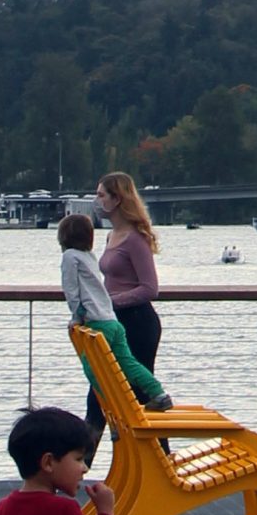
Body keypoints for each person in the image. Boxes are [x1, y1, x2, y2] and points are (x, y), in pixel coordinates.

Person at [57, 213, 172, 410]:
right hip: (112, 321)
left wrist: (77, 317)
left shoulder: (69, 257)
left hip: (96, 323)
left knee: (92, 368)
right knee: (128, 362)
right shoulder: (89, 256)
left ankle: (114, 402)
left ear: (64, 236)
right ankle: (158, 393)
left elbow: (72, 291)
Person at [86, 172, 163, 434]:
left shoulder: (135, 238)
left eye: (101, 195)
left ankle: (161, 464)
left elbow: (149, 288)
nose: (97, 200)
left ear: (117, 199)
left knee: (140, 398)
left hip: (138, 323)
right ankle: (78, 467)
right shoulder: (111, 236)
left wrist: (111, 301)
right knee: (99, 395)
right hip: (114, 323)